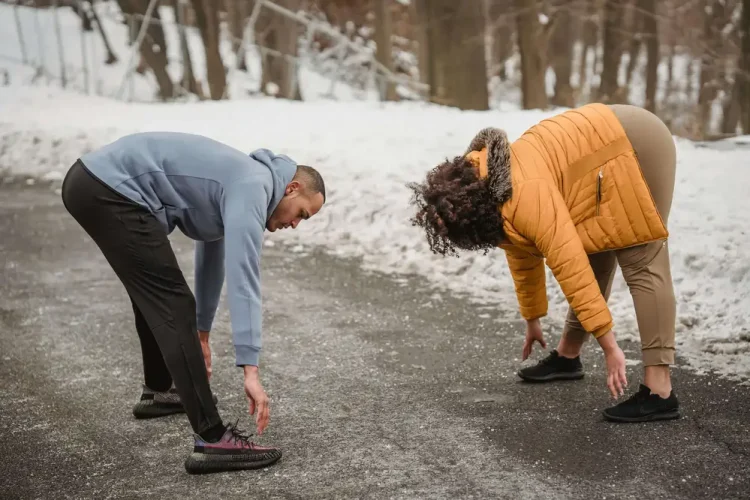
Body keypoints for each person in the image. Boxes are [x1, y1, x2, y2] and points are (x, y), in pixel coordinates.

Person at [61, 131, 326, 473]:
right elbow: (244, 277)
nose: (294, 224)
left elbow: (211, 256)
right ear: (291, 189)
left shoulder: (243, 178)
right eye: (302, 214)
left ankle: (158, 391)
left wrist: (201, 333)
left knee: (156, 292)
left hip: (93, 183)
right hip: (109, 189)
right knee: (172, 302)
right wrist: (250, 368)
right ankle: (212, 438)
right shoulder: (254, 185)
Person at [408, 103, 680, 423]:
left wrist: (610, 346)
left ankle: (659, 389)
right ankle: (568, 357)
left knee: (641, 259)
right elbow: (521, 254)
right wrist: (532, 319)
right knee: (595, 252)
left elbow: (570, 267)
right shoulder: (489, 187)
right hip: (602, 154)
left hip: (635, 144)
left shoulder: (524, 194)